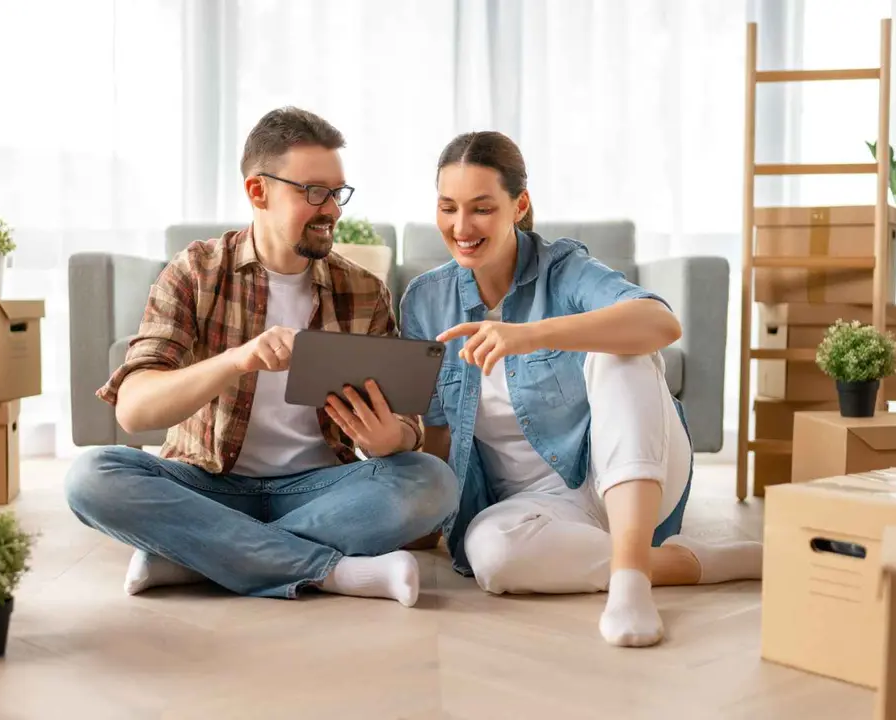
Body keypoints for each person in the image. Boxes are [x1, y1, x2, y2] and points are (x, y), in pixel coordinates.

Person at [65, 107, 458, 607]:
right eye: (312, 192)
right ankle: (332, 573)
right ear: (258, 191)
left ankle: (194, 556)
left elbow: (408, 425)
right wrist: (236, 360)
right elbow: (133, 409)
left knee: (432, 481)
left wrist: (393, 438)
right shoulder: (196, 271)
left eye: (336, 193)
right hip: (207, 484)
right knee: (91, 476)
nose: (332, 209)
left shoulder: (362, 291)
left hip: (319, 488)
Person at [399, 131, 762, 646]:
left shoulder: (563, 270)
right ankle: (692, 563)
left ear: (518, 204)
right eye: (447, 207)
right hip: (535, 507)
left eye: (481, 208)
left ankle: (632, 581)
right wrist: (404, 475)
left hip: (629, 469)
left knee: (623, 354)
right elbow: (437, 433)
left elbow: (660, 322)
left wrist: (528, 335)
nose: (461, 227)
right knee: (492, 558)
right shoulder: (426, 302)